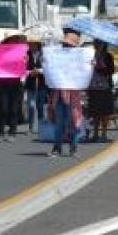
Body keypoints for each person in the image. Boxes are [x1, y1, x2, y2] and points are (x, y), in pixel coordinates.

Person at [49, 29, 84, 158]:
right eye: (65, 44)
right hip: (58, 94)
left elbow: (84, 74)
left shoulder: (79, 60)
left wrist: (89, 65)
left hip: (73, 95)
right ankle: (57, 148)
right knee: (59, 123)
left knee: (74, 121)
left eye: (68, 45)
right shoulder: (57, 57)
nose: (66, 46)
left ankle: (73, 148)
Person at [87, 40, 115, 143]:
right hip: (93, 87)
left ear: (104, 45)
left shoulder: (108, 56)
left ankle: (103, 134)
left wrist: (99, 65)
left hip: (105, 87)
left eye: (98, 43)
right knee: (94, 113)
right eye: (95, 43)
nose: (96, 45)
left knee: (105, 112)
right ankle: (95, 134)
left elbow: (110, 71)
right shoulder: (90, 55)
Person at [0, 39, 24, 141]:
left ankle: (12, 132)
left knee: (14, 109)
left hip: (16, 84)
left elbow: (25, 67)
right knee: (3, 109)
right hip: (2, 84)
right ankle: (0, 133)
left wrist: (24, 60)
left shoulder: (19, 52)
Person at [24, 38, 45, 133]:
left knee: (40, 105)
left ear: (37, 44)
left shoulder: (43, 54)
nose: (32, 46)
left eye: (33, 44)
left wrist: (39, 71)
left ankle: (41, 126)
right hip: (30, 83)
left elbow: (47, 67)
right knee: (31, 106)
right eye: (30, 44)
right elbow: (22, 68)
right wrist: (30, 72)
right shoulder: (26, 54)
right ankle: (30, 126)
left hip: (41, 83)